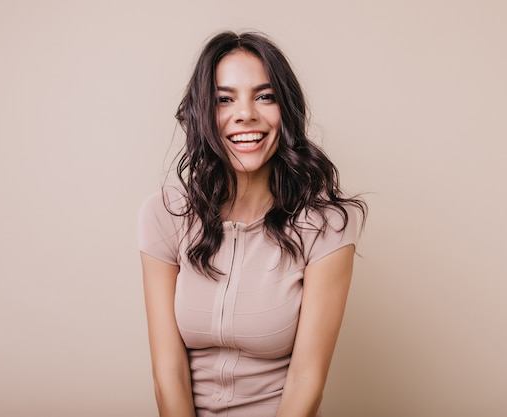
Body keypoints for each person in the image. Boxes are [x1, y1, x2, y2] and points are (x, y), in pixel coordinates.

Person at [138, 30, 367, 417]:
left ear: (286, 110)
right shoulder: (165, 213)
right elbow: (168, 374)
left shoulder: (326, 224)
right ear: (202, 114)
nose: (245, 113)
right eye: (224, 99)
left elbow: (306, 382)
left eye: (265, 96)